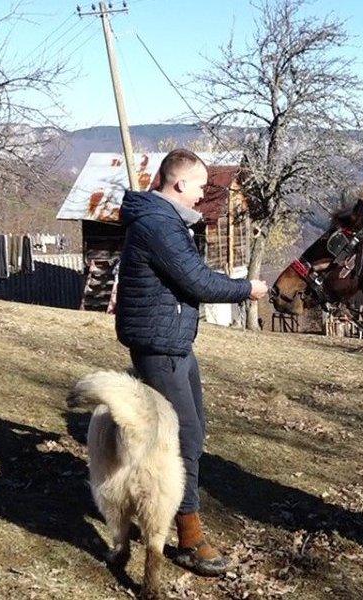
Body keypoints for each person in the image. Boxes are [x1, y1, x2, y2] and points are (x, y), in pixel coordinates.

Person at [114, 149, 268, 576]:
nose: (202, 196)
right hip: (159, 346)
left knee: (189, 433)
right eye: (199, 186)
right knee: (181, 440)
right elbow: (196, 281)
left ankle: (148, 508)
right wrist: (245, 289)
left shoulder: (166, 222)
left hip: (173, 341)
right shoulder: (158, 225)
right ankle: (188, 537)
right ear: (179, 183)